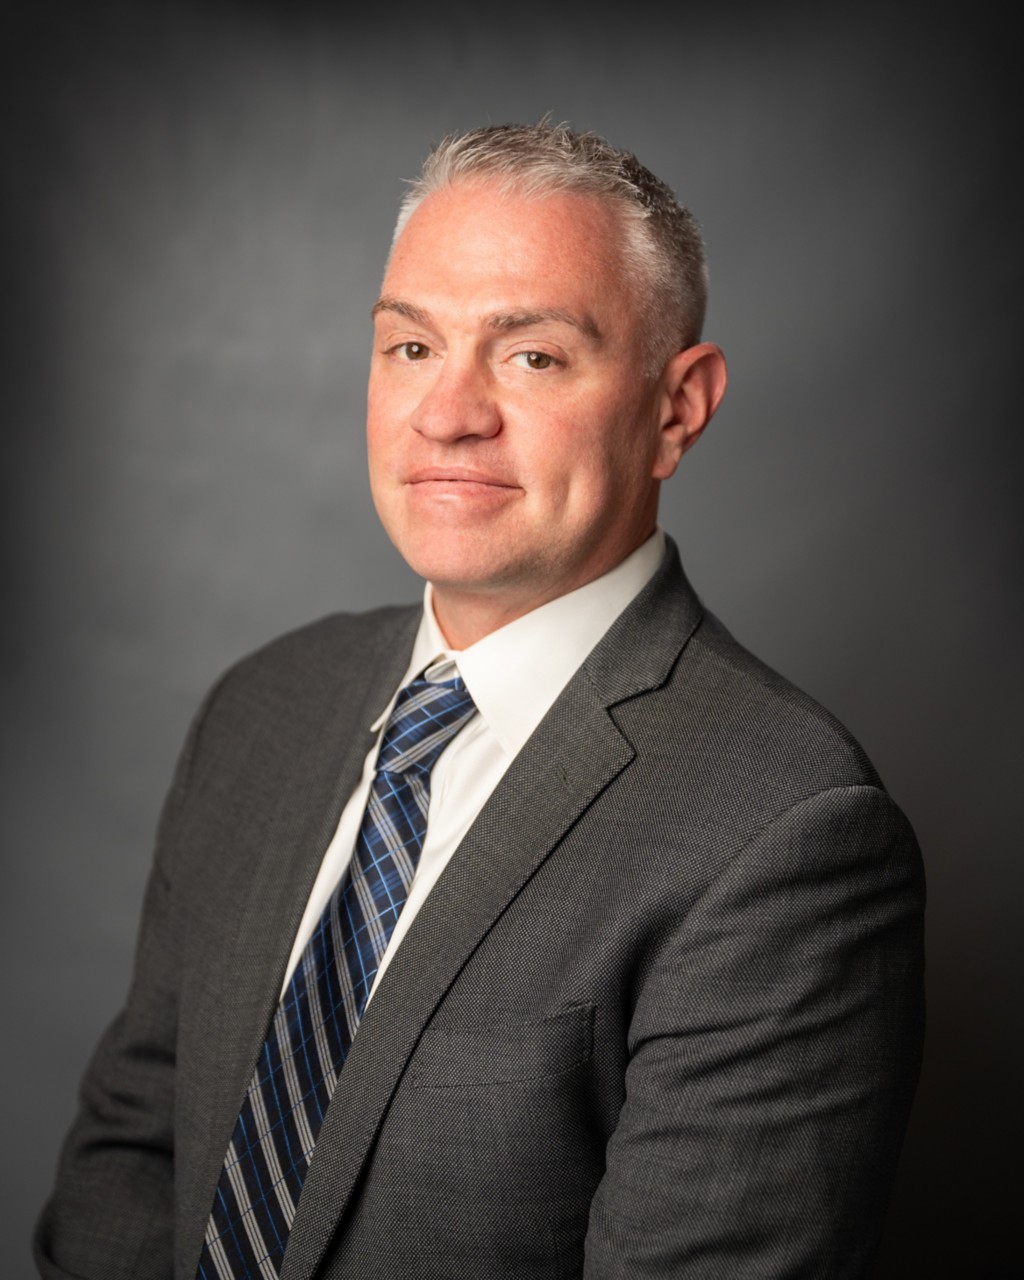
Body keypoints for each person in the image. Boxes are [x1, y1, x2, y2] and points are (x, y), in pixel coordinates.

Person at [35, 122, 925, 1280]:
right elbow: (135, 1150)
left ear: (677, 407)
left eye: (532, 356)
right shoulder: (262, 708)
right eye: (411, 346)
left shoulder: (786, 829)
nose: (447, 412)